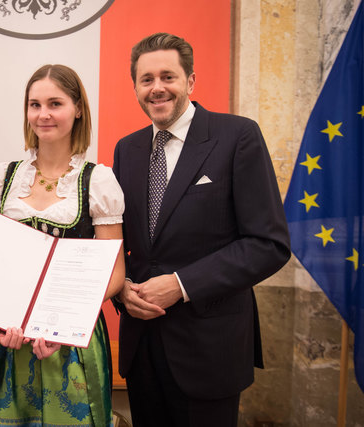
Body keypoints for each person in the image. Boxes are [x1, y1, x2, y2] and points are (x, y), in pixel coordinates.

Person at [112, 33, 291, 427]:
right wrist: (119, 289)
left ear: (190, 82)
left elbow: (268, 244)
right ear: (136, 87)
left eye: (168, 76)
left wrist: (181, 284)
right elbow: (124, 246)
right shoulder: (127, 149)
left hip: (210, 350)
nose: (157, 87)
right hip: (141, 345)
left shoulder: (237, 136)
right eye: (146, 79)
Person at [0, 64, 125, 426]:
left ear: (78, 109)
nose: (43, 114)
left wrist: (59, 322)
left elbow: (115, 276)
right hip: (10, 339)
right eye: (34, 104)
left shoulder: (98, 182)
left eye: (55, 103)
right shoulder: (2, 178)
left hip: (72, 342)